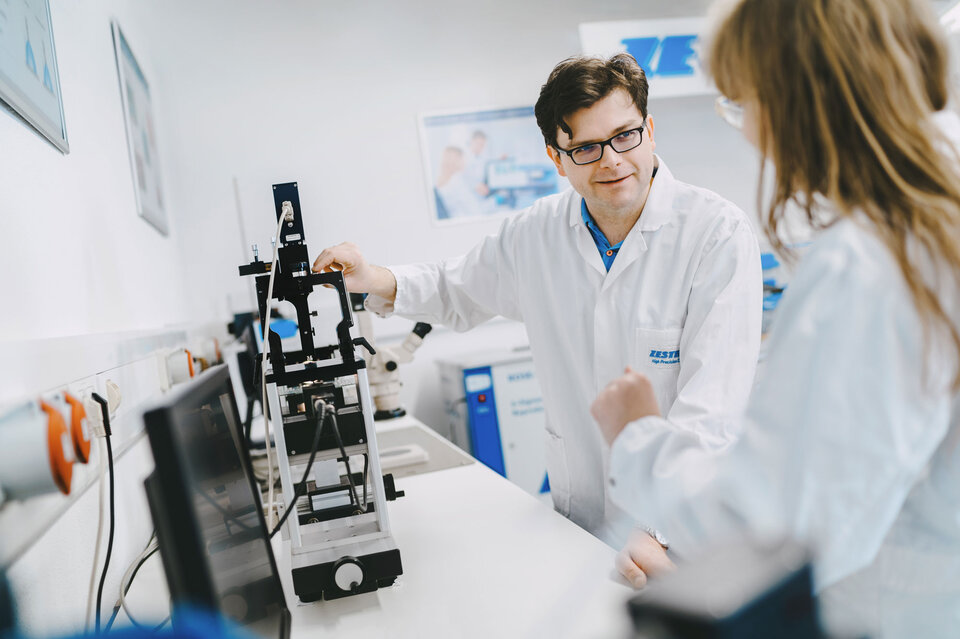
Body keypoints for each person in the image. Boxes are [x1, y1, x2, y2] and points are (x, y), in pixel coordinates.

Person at [590, 0, 960, 636]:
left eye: (744, 102)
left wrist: (638, 438)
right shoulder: (936, 206)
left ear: (798, 103)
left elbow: (773, 524)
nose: (749, 132)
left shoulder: (868, 266)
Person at [313, 54, 762, 557]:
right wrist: (369, 277)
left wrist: (659, 529)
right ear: (557, 157)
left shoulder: (715, 235)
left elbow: (711, 413)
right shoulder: (536, 234)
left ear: (650, 129)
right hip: (582, 522)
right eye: (587, 147)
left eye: (625, 135)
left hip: (683, 538)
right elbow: (454, 288)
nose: (612, 159)